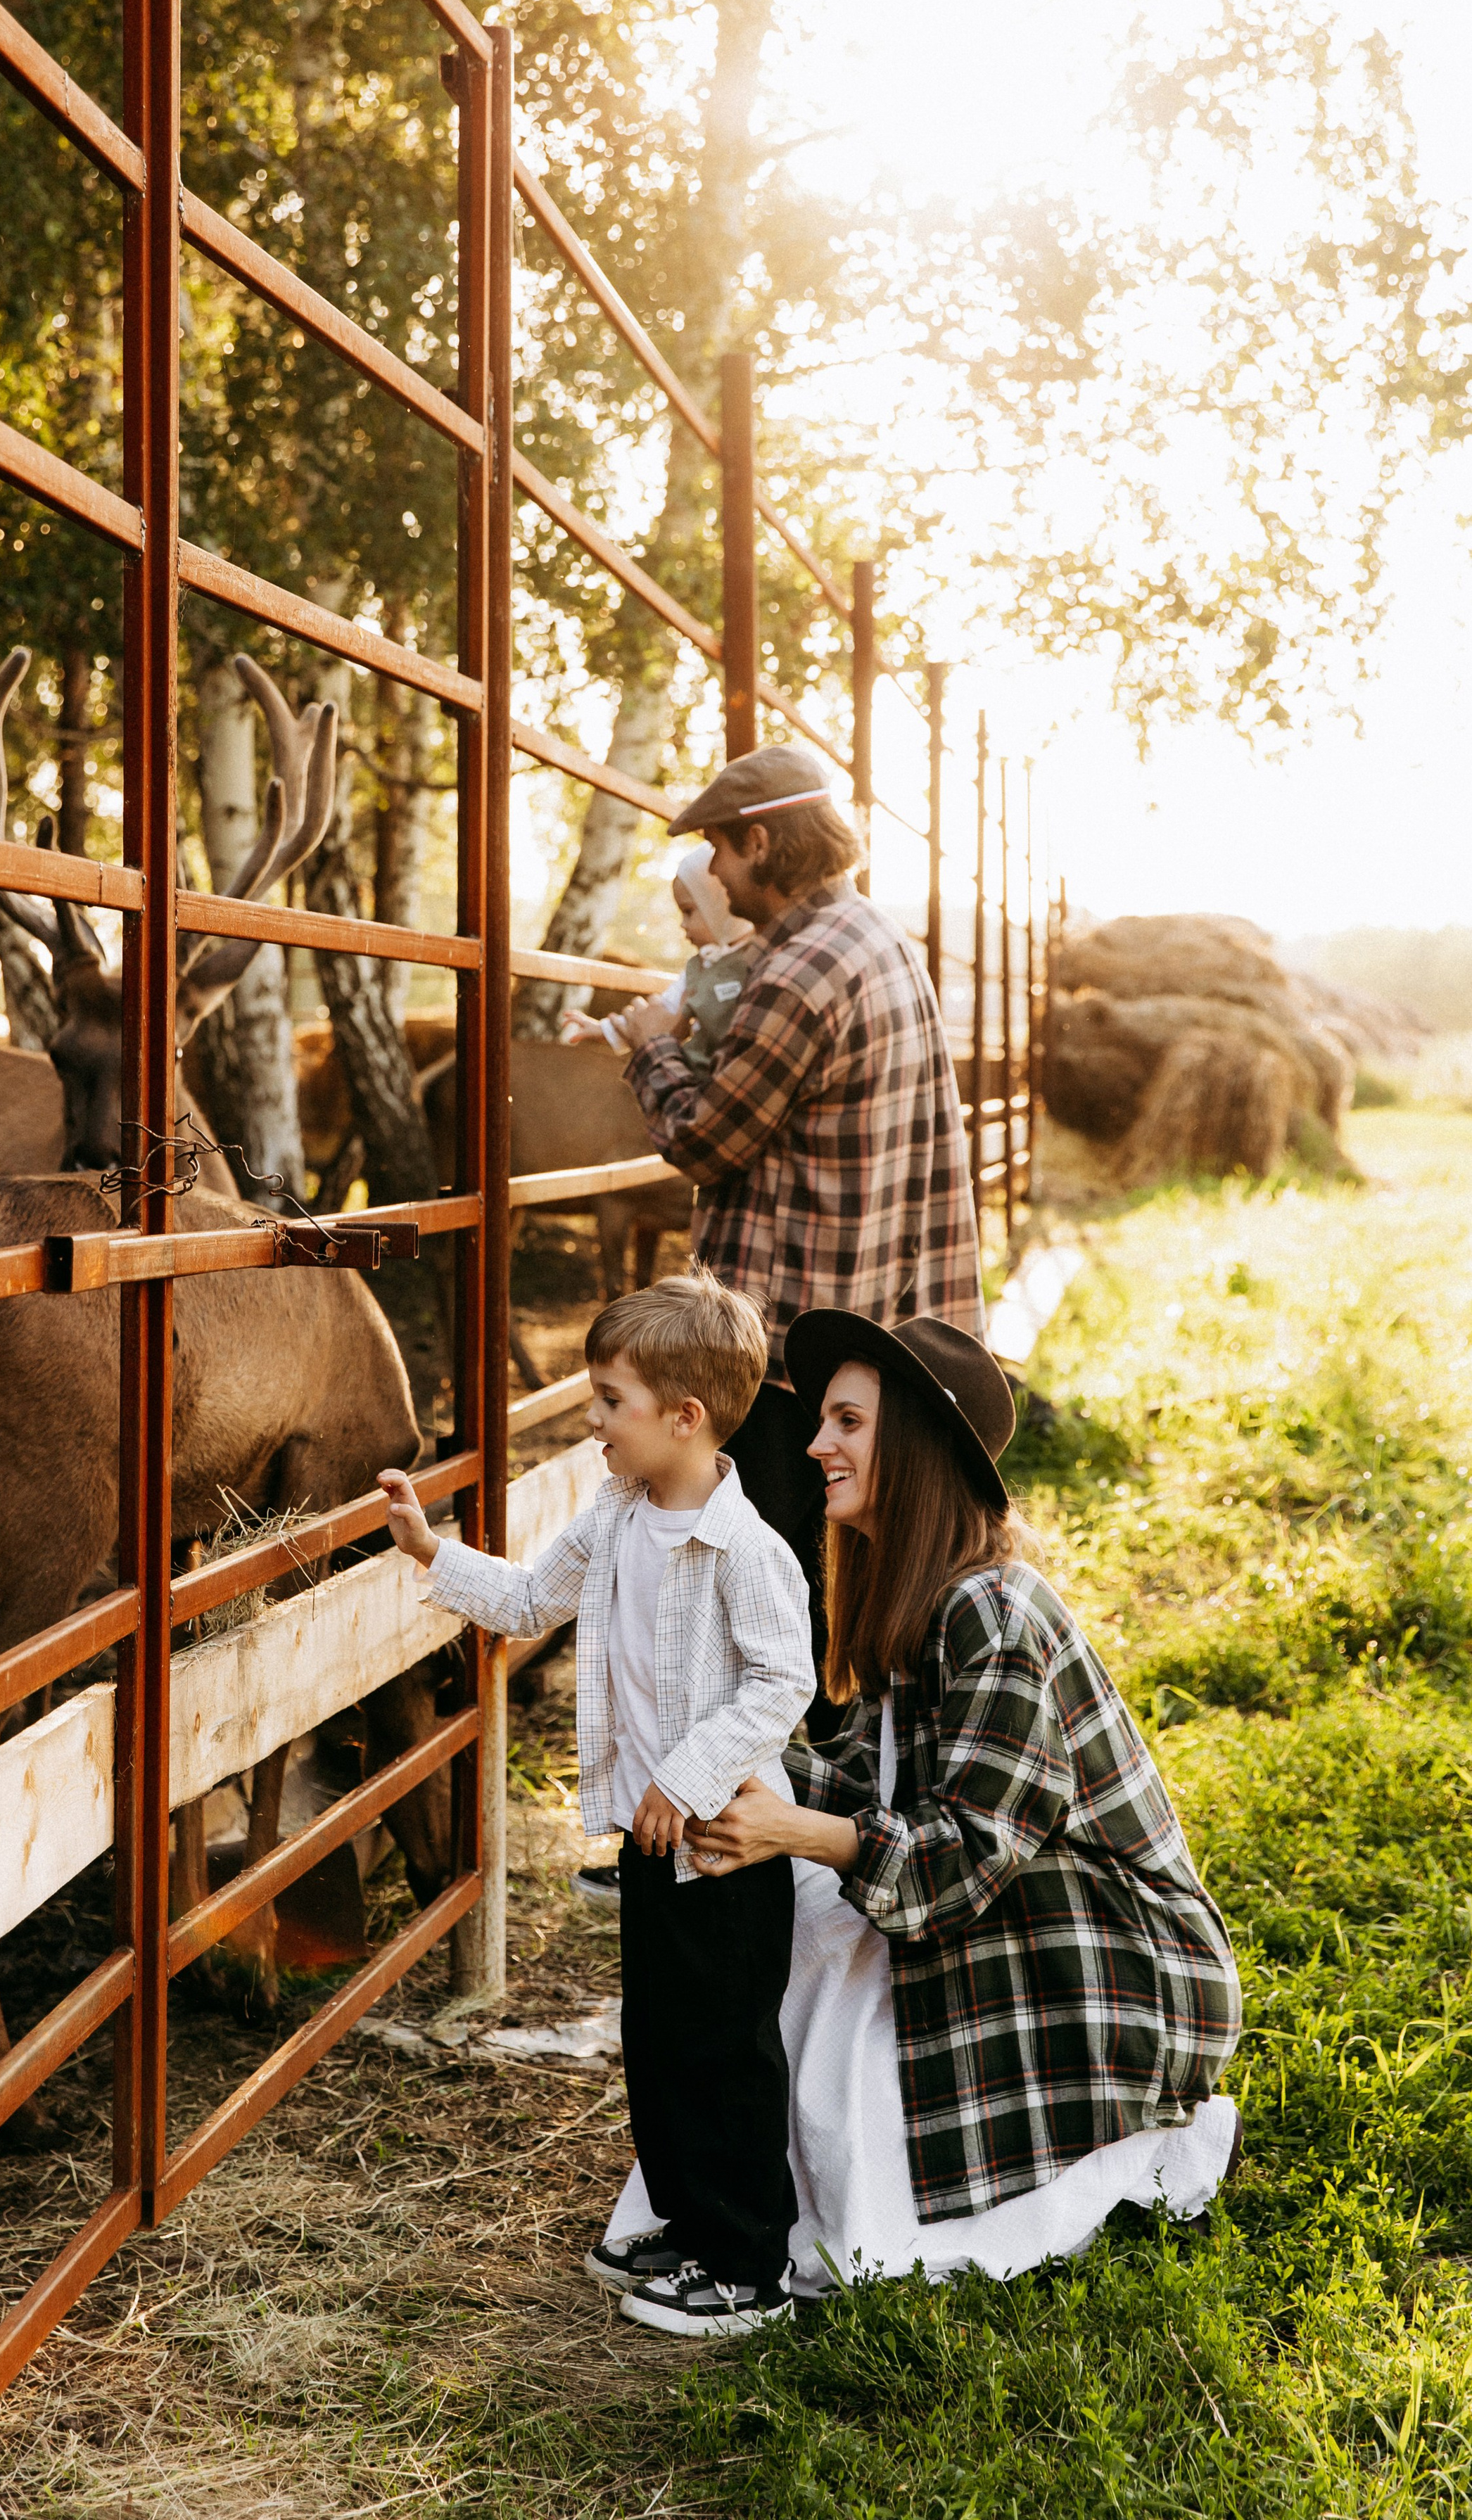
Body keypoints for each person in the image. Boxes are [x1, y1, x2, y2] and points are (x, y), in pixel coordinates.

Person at [604, 1311, 1243, 2292]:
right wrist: (723, 1768)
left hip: (1101, 1952)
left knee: (815, 1948)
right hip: (1004, 1905)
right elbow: (865, 1777)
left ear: (915, 1446)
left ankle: (776, 2229)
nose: (816, 1444)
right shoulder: (919, 1596)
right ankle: (720, 2203)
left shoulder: (992, 1609)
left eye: (848, 1423)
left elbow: (971, 1854)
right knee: (793, 1923)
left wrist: (792, 1827)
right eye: (825, 1421)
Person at [378, 1271, 813, 2338]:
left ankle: (749, 2267)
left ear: (684, 1418)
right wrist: (434, 1554)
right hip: (648, 1842)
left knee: (725, 2048)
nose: (592, 1419)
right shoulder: (619, 1514)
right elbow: (532, 1599)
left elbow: (781, 1684)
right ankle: (691, 2223)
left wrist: (687, 1776)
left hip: (726, 1849)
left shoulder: (746, 1551)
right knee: (661, 2040)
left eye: (609, 1401)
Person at [604, 746, 982, 1710]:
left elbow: (705, 1138)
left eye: (722, 854)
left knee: (768, 1597)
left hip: (776, 1342)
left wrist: (651, 1048)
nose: (718, 878)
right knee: (815, 1588)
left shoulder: (804, 968)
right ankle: (815, 1803)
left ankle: (761, 1835)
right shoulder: (873, 937)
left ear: (762, 841)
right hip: (845, 1315)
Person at [561, 844, 760, 1077]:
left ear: (718, 906)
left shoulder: (755, 956)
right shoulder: (698, 968)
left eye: (689, 912)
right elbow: (665, 1008)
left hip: (734, 1067)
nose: (683, 925)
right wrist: (604, 1029)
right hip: (696, 1070)